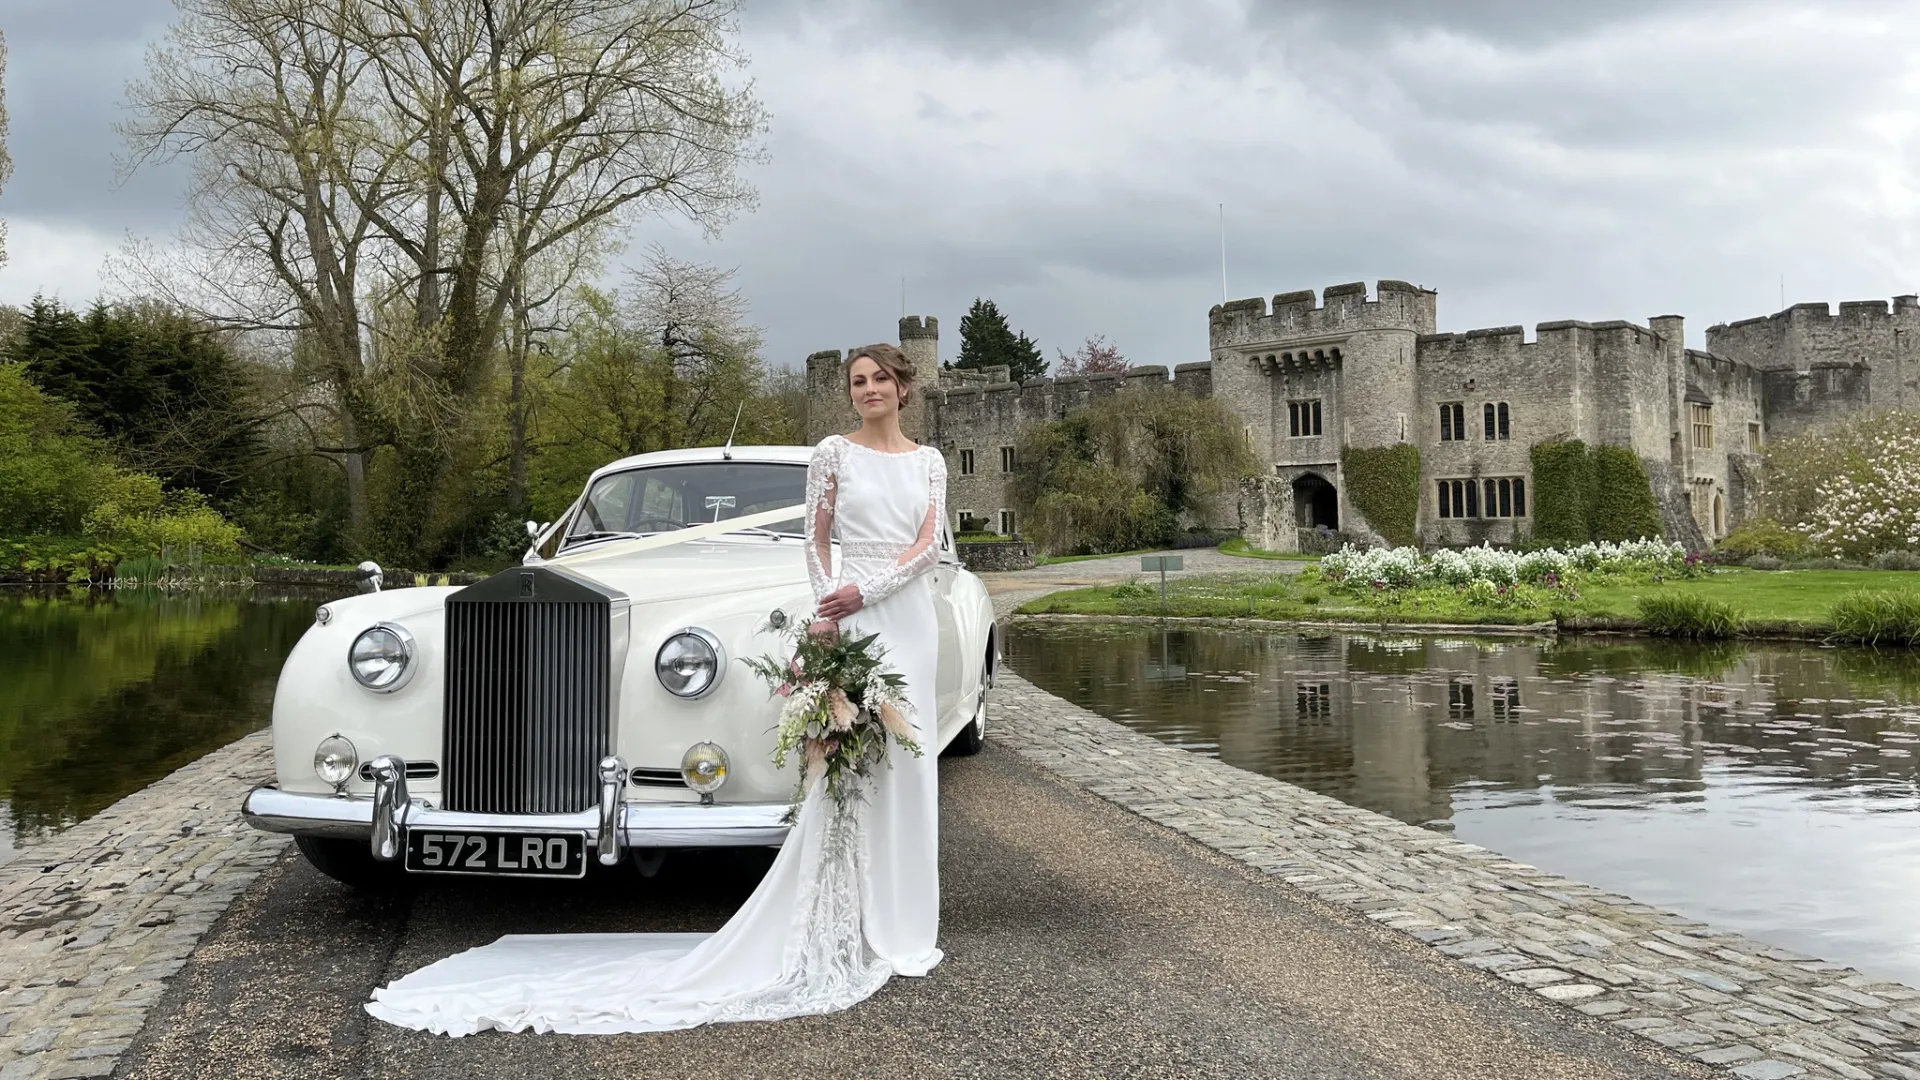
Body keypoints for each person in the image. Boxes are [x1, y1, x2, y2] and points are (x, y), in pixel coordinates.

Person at [361, 344, 947, 1036]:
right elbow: (815, 542)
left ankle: (902, 919)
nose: (869, 388)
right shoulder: (831, 454)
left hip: (902, 613)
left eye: (880, 379)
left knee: (907, 764)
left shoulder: (929, 461)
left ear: (903, 388)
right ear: (847, 392)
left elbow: (927, 541)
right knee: (850, 767)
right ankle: (850, 905)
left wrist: (865, 588)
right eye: (858, 380)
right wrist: (830, 606)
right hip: (845, 614)